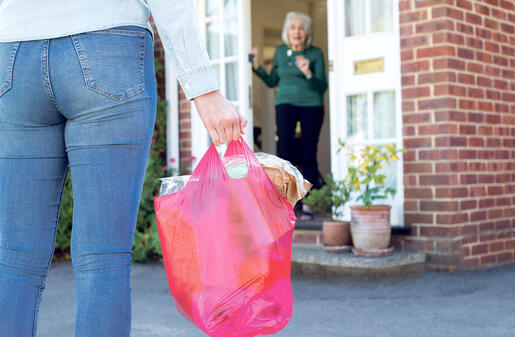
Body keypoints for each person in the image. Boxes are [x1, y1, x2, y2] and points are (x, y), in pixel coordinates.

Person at [0, 1, 246, 336]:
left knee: (15, 259)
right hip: (107, 43)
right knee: (102, 259)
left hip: (13, 54)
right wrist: (204, 89)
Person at [251, 11, 327, 221]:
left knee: (308, 152)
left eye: (301, 28)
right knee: (285, 153)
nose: (297, 32)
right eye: (293, 28)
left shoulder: (315, 54)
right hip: (285, 105)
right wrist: (256, 66)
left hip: (311, 105)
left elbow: (322, 86)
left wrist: (308, 73)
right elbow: (272, 80)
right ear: (287, 32)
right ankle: (288, 203)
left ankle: (309, 204)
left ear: (307, 33)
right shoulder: (280, 52)